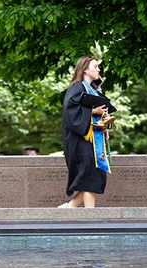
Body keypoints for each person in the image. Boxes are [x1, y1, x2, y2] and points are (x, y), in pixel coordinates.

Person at [59, 56, 111, 208]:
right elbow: (71, 112)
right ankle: (89, 218)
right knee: (89, 177)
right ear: (85, 70)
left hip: (92, 141)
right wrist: (93, 110)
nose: (99, 69)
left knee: (93, 177)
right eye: (95, 66)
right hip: (81, 140)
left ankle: (71, 207)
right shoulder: (77, 87)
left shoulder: (92, 90)